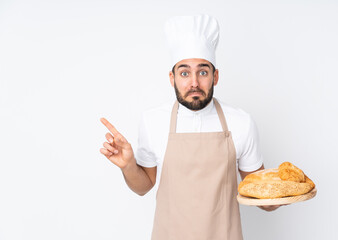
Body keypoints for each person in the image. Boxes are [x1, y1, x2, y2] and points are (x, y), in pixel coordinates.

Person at [100, 14, 282, 240]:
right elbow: (143, 186)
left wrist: (286, 191)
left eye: (203, 72)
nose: (194, 82)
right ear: (172, 77)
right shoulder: (152, 120)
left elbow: (262, 196)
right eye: (184, 72)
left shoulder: (241, 122)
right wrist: (127, 166)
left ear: (215, 77)